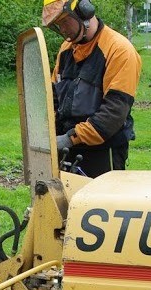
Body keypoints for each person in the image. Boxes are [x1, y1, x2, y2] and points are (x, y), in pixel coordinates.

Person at [42, 0, 142, 178]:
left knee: (103, 204)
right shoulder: (66, 49)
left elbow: (113, 114)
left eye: (65, 21)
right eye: (58, 24)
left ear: (84, 10)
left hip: (103, 149)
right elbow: (54, 98)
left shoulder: (119, 50)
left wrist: (70, 138)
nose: (63, 29)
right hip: (67, 146)